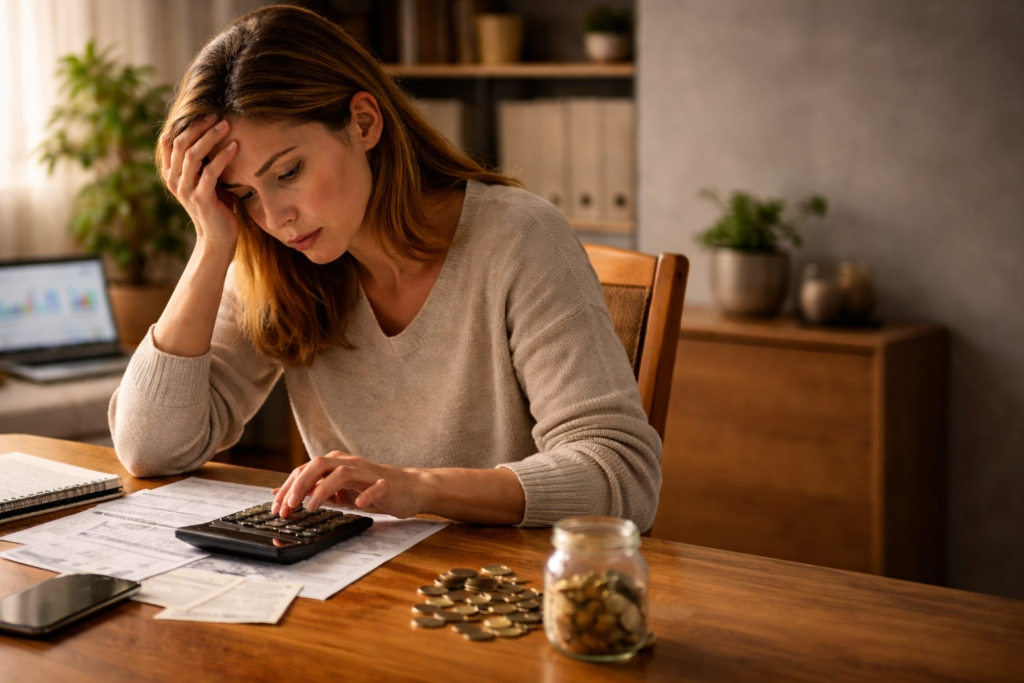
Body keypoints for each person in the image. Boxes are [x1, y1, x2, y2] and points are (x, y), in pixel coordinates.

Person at [109, 5, 661, 530]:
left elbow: (622, 477)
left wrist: (420, 488)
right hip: (361, 591)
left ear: (363, 122)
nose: (274, 217)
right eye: (243, 193)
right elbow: (150, 450)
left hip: (505, 594)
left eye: (289, 171)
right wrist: (212, 241)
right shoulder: (280, 261)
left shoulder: (519, 239)